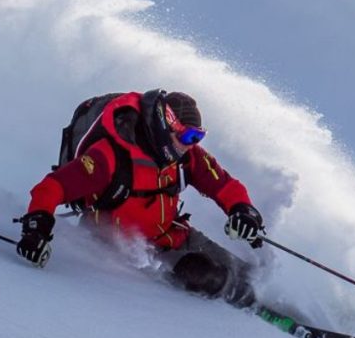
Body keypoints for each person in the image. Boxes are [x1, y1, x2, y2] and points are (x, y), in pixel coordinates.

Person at [16, 90, 265, 307]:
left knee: (246, 275)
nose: (192, 145)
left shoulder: (186, 156)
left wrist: (242, 210)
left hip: (176, 235)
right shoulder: (110, 156)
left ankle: (261, 302)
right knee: (202, 274)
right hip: (120, 252)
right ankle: (238, 302)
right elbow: (53, 187)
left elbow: (223, 184)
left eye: (197, 137)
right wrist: (36, 228)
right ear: (166, 126)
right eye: (188, 137)